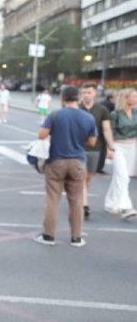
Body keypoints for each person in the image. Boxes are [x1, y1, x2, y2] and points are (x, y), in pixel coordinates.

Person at [33, 86, 97, 247]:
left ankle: (49, 236)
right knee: (76, 201)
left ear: (62, 98)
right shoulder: (88, 117)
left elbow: (41, 135)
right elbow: (92, 142)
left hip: (56, 161)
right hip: (77, 162)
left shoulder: (55, 115)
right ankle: (76, 238)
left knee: (53, 200)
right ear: (78, 98)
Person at [79, 82, 115, 219]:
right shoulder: (77, 109)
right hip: (79, 148)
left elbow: (106, 129)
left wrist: (111, 147)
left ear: (95, 93)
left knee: (88, 177)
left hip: (96, 148)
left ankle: (82, 199)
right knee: (81, 178)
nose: (86, 95)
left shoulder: (102, 110)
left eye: (89, 92)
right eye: (84, 93)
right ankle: (84, 205)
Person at [103, 88, 137, 220]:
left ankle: (111, 204)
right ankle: (126, 207)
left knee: (121, 176)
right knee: (123, 177)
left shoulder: (136, 112)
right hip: (118, 146)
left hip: (132, 146)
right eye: (133, 96)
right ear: (126, 98)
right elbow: (109, 131)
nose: (136, 98)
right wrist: (110, 148)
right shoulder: (115, 114)